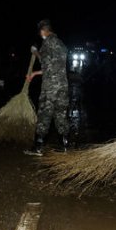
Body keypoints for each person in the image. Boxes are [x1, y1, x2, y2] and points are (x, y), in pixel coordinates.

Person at [24, 19, 69, 155]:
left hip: (50, 87)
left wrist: (35, 52)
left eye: (40, 33)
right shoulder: (61, 44)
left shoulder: (48, 42)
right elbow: (54, 66)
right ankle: (64, 145)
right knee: (60, 114)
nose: (41, 35)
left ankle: (37, 147)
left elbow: (44, 62)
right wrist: (35, 73)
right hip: (63, 86)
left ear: (44, 31)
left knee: (44, 114)